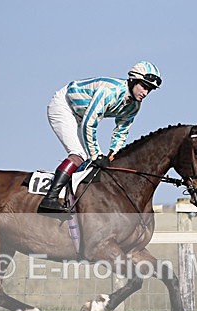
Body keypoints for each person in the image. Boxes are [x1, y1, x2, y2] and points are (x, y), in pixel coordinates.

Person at [38, 61, 162, 214]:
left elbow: (121, 132)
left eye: (150, 89)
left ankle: (73, 199)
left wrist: (113, 154)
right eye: (143, 86)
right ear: (133, 80)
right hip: (64, 107)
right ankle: (50, 198)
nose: (146, 93)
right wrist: (96, 155)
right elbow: (89, 124)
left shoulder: (134, 106)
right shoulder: (110, 91)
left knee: (90, 161)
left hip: (80, 115)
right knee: (79, 154)